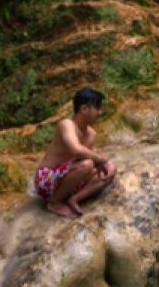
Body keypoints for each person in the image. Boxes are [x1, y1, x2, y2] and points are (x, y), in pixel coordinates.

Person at [34, 88, 118, 218]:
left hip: (69, 177)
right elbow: (76, 149)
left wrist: (106, 165)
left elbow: (88, 159)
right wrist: (101, 160)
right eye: (97, 108)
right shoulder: (67, 125)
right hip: (47, 179)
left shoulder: (92, 134)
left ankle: (74, 199)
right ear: (84, 109)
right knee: (87, 164)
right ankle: (54, 202)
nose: (100, 112)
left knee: (109, 170)